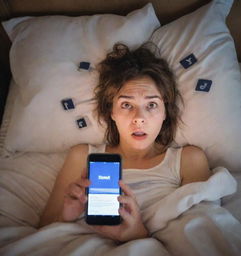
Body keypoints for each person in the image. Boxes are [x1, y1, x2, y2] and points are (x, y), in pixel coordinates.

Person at [39, 43, 211, 243]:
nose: (139, 118)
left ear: (165, 112)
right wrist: (65, 217)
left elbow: (203, 236)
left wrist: (138, 234)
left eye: (152, 105)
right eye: (127, 105)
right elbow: (42, 233)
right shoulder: (81, 156)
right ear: (112, 111)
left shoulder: (189, 160)